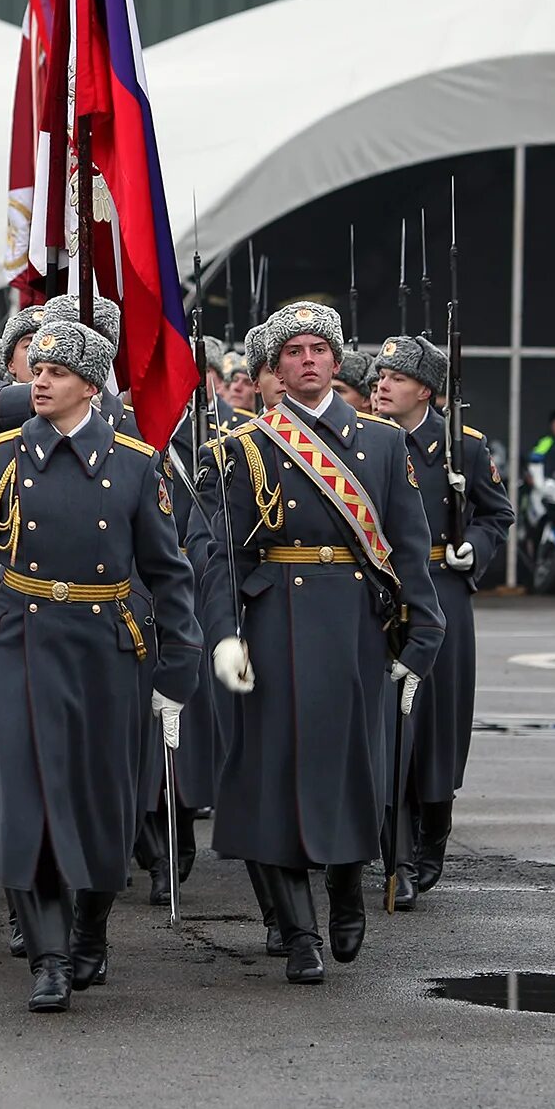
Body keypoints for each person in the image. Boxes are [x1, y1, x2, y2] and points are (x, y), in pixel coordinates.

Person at [0, 321, 199, 1013]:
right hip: (18, 640)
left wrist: (178, 671)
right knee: (27, 803)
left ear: (92, 384)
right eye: (36, 368)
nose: (39, 380)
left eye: (56, 371)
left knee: (100, 804)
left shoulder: (137, 463)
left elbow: (170, 575)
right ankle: (47, 959)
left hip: (106, 648)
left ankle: (90, 929)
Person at [198, 302, 443, 985]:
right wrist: (222, 636)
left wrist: (423, 633)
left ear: (337, 362)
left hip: (351, 627)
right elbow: (218, 555)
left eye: (319, 349)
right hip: (272, 622)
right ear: (275, 367)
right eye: (294, 351)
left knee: (347, 770)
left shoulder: (383, 444)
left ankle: (344, 886)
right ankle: (299, 932)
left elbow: (407, 549)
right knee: (271, 775)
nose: (307, 360)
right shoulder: (240, 448)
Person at [371, 334, 514, 907]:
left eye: (396, 378)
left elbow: (496, 513)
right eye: (380, 375)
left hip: (442, 588)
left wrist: (473, 548)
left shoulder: (466, 448)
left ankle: (435, 827)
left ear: (425, 390)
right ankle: (396, 858)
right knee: (389, 723)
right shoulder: (362, 439)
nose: (381, 384)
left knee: (438, 720)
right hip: (384, 590)